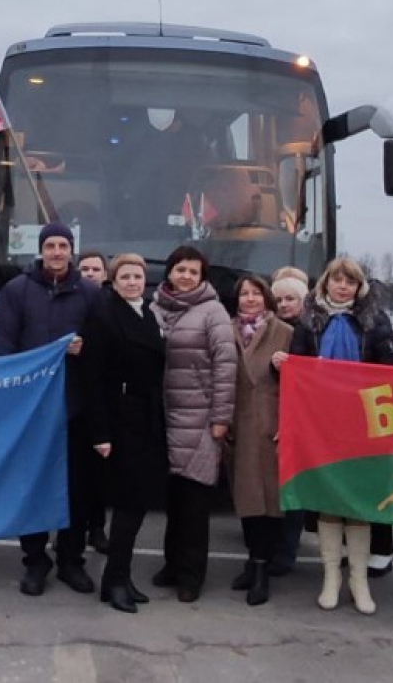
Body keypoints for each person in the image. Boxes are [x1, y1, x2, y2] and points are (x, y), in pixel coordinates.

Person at [281, 256, 393, 615]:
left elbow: (388, 370)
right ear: (326, 284)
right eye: (337, 280)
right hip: (321, 422)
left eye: (350, 281)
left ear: (358, 286)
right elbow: (296, 366)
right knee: (329, 499)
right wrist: (282, 364)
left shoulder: (375, 322)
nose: (343, 286)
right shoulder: (307, 320)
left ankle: (358, 580)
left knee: (358, 501)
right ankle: (331, 576)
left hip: (363, 422)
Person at [0, 221, 100, 597]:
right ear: (41, 250)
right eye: (50, 245)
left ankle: (71, 560)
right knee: (33, 487)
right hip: (31, 409)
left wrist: (86, 350)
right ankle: (35, 561)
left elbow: (103, 345)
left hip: (76, 406)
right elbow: (2, 348)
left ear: (72, 251)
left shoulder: (89, 292)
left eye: (63, 246)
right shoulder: (17, 291)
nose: (56, 252)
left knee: (77, 490)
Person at [149, 245, 236, 603]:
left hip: (200, 422)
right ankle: (171, 565)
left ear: (202, 278)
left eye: (193, 272)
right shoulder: (154, 308)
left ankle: (191, 575)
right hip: (162, 420)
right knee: (172, 501)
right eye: (180, 269)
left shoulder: (213, 312)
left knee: (196, 505)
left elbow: (226, 366)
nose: (185, 276)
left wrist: (220, 419)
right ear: (169, 272)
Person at [82, 254, 164, 613]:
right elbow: (93, 380)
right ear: (112, 281)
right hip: (118, 417)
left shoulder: (147, 314)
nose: (132, 282)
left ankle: (122, 575)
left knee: (139, 503)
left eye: (138, 276)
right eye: (125, 276)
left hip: (146, 416)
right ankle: (113, 581)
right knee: (127, 505)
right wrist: (100, 433)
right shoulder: (103, 316)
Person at [226, 274, 294, 607]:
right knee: (246, 498)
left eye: (255, 293)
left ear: (266, 298)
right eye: (243, 294)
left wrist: (286, 368)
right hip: (237, 421)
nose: (250, 299)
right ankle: (251, 562)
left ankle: (262, 568)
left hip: (271, 424)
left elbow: (301, 384)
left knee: (269, 501)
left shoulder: (285, 332)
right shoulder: (226, 329)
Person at [265, 271, 310, 576]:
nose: (284, 304)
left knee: (294, 485)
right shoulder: (266, 330)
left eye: (290, 299)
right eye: (278, 299)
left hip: (301, 415)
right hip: (269, 412)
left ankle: (286, 551)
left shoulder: (310, 332)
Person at [77, 249, 110, 553]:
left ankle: (97, 528)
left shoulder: (112, 304)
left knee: (100, 472)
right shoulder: (74, 302)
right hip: (77, 396)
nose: (89, 274)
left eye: (95, 269)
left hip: (108, 398)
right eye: (84, 268)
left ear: (105, 274)